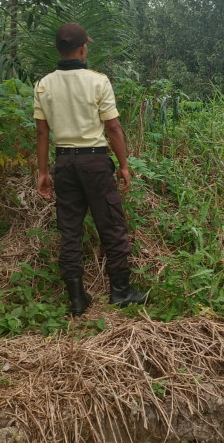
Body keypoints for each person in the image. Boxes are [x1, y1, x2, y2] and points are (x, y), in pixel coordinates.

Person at [34, 22, 146, 316]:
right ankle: (121, 291)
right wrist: (123, 165)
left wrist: (43, 172)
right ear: (83, 49)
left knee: (70, 231)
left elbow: (42, 133)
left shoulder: (44, 84)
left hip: (64, 163)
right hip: (95, 162)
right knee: (111, 225)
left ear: (58, 49)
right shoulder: (98, 81)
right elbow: (113, 126)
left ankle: (77, 299)